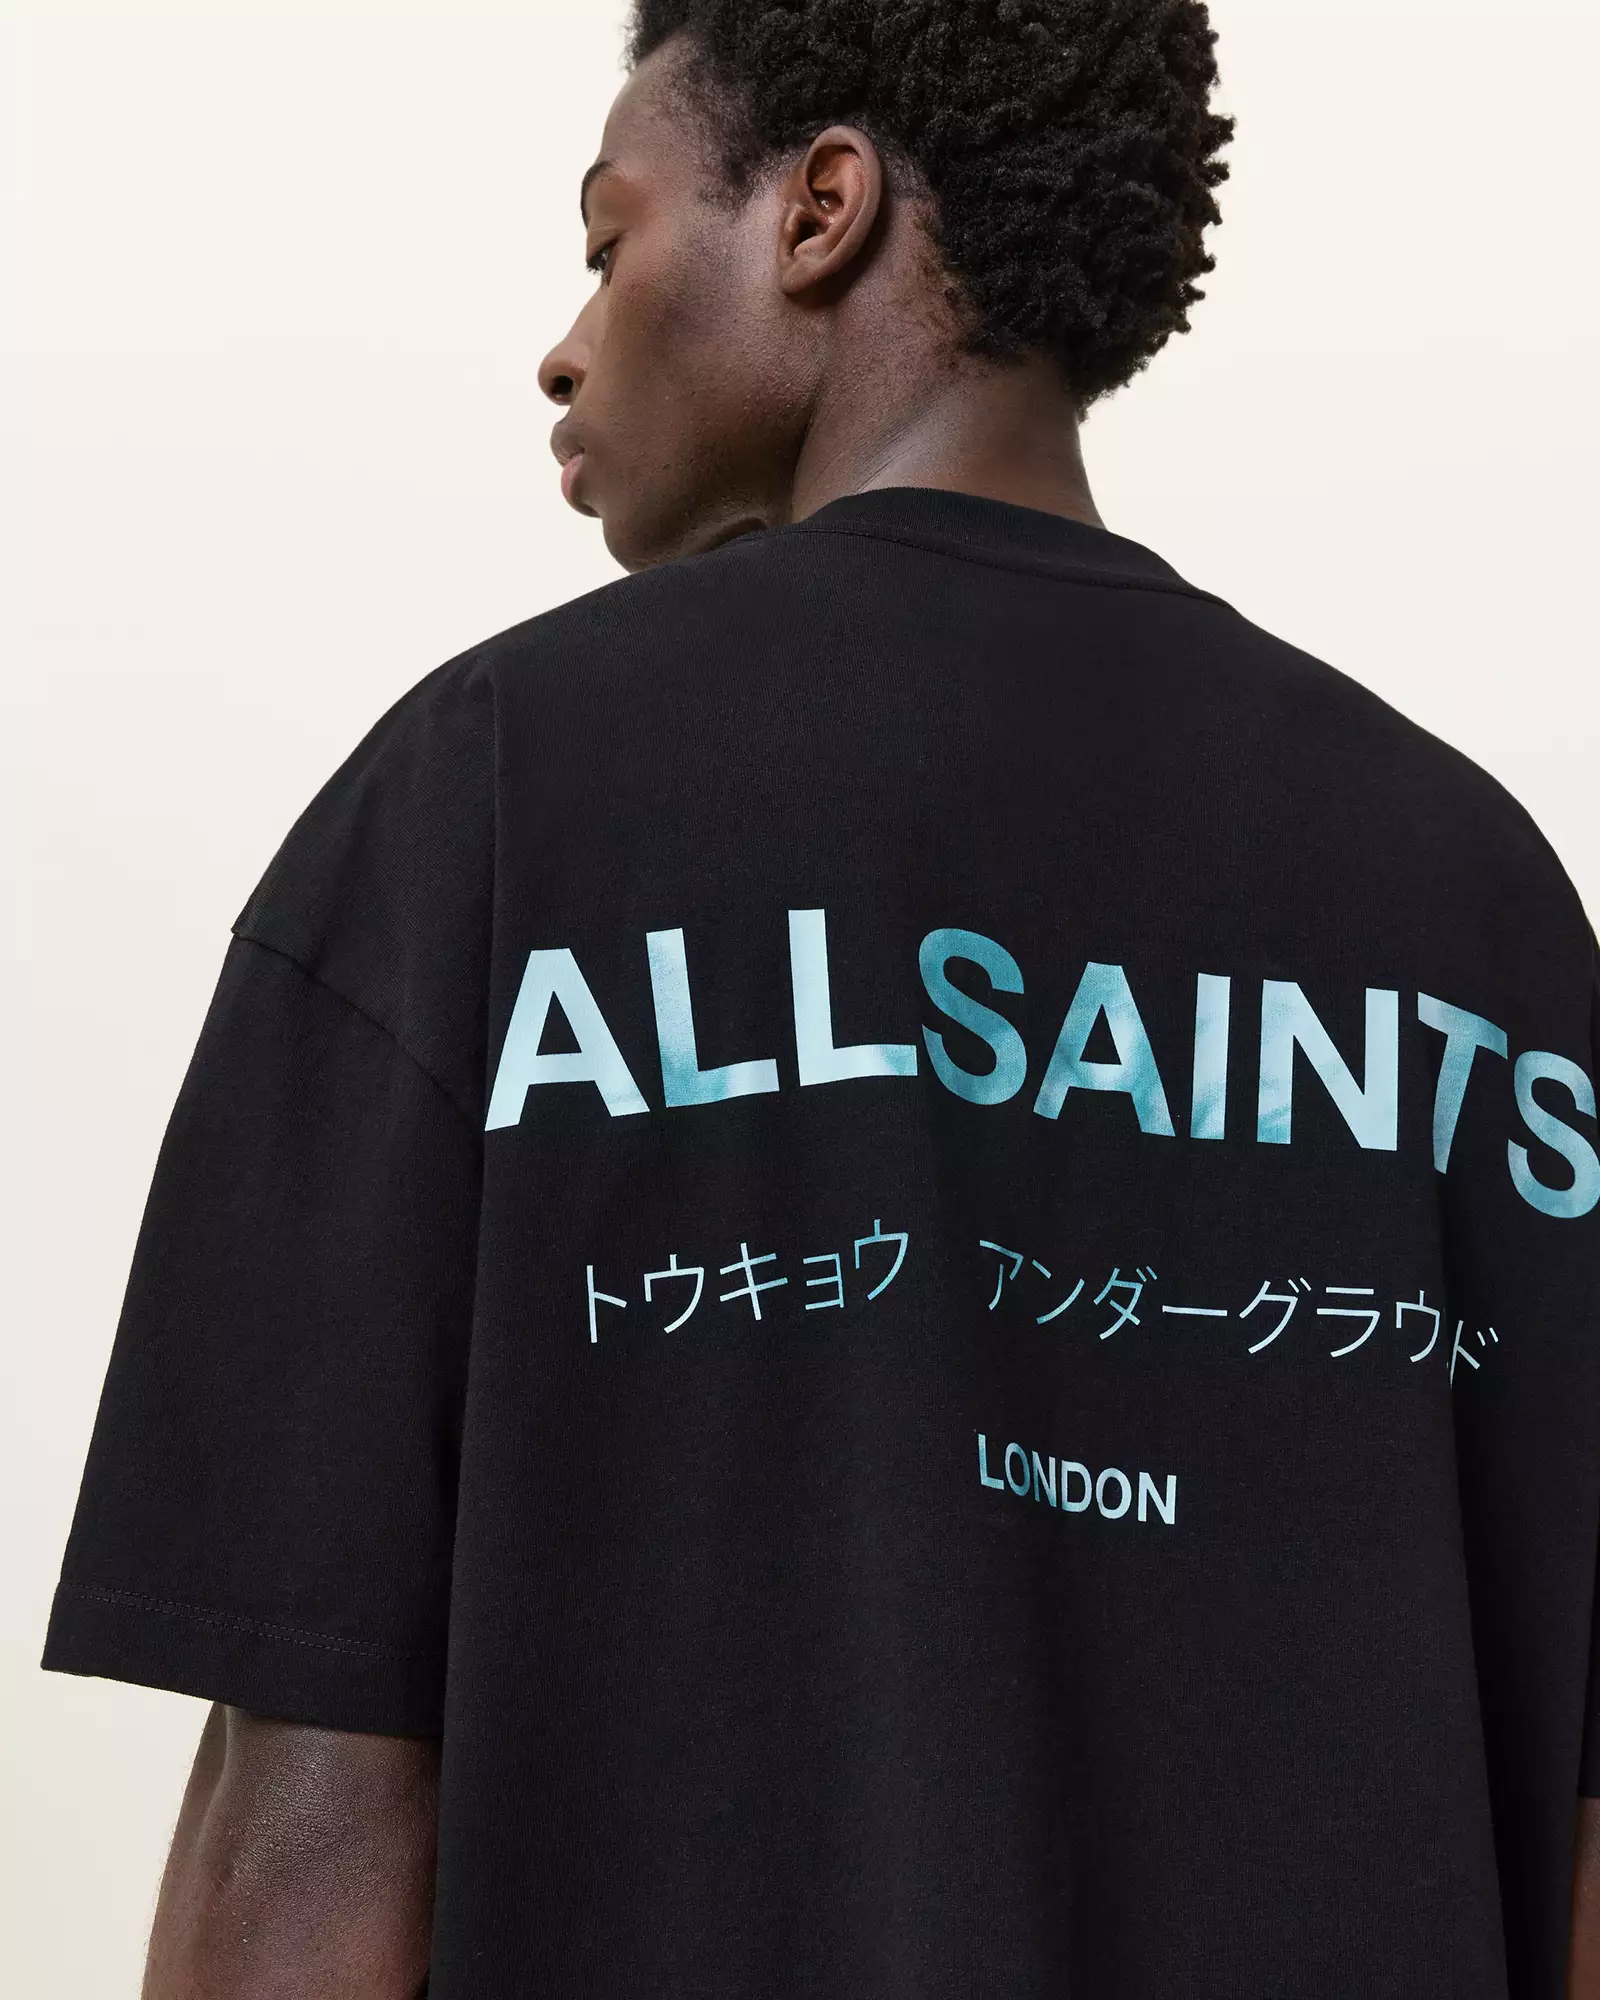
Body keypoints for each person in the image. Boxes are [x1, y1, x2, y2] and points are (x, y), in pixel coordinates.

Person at [41, 3, 1599, 1995]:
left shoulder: (492, 800)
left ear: (820, 211)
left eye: (608, 241)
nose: (565, 344)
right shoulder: (1478, 909)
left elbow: (320, 1814)